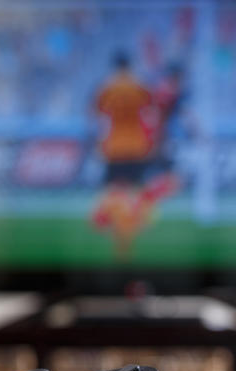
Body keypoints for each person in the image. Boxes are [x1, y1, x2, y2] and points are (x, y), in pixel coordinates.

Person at [92, 52, 155, 260]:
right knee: (137, 192)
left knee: (112, 191)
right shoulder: (140, 86)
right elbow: (150, 114)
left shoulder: (106, 88)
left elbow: (99, 117)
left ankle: (115, 233)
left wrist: (100, 144)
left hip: (115, 146)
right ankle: (136, 228)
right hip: (136, 145)